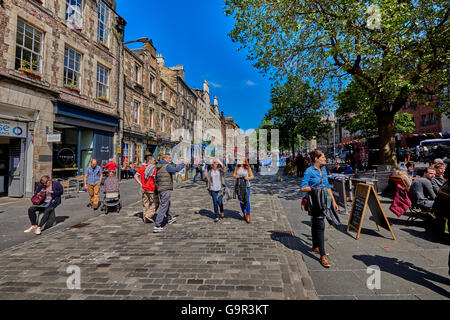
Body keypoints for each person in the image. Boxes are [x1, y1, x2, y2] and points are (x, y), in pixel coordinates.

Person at [301, 149, 339, 268]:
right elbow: (303, 187)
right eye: (323, 157)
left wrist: (333, 201)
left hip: (324, 201)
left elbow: (327, 186)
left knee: (315, 224)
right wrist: (314, 189)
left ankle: (315, 247)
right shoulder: (309, 171)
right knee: (320, 225)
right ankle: (322, 256)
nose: (325, 159)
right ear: (316, 159)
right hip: (315, 202)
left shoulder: (323, 170)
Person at [153, 154, 185, 233]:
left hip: (161, 188)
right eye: (169, 158)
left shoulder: (159, 166)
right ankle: (157, 225)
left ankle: (170, 218)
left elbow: (156, 179)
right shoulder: (167, 166)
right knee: (163, 205)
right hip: (166, 187)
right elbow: (176, 170)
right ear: (165, 158)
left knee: (167, 203)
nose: (170, 159)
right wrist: (183, 164)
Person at [134, 155, 159, 223]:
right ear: (150, 161)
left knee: (146, 203)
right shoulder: (153, 168)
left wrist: (141, 184)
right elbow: (154, 178)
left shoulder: (143, 168)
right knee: (156, 202)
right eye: (154, 160)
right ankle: (149, 215)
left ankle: (145, 218)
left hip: (144, 188)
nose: (155, 161)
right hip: (151, 188)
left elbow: (135, 176)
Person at [233, 158, 254, 223]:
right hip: (239, 186)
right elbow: (234, 175)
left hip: (246, 186)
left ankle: (248, 214)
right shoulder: (237, 167)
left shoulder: (247, 167)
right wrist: (236, 176)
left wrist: (248, 177)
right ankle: (244, 213)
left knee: (246, 200)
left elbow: (252, 176)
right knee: (241, 200)